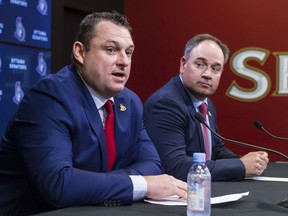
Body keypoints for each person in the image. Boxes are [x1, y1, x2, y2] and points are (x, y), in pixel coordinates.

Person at [0, 11, 187, 216]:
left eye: (129, 52)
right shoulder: (49, 98)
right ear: (80, 52)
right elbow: (59, 185)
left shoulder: (130, 102)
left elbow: (153, 165)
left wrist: (92, 184)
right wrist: (141, 185)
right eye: (111, 49)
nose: (124, 61)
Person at [143, 33, 269, 182]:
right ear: (183, 64)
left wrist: (250, 162)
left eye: (215, 68)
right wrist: (240, 166)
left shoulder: (205, 104)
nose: (208, 74)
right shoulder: (166, 104)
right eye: (200, 64)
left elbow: (216, 150)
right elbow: (176, 167)